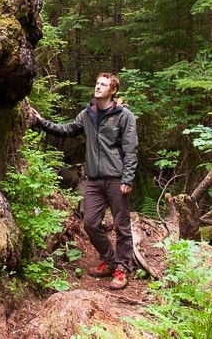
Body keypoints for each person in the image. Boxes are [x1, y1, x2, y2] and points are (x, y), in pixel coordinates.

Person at [27, 72, 139, 290]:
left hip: (117, 179)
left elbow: (131, 150)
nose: (98, 87)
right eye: (97, 83)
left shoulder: (124, 116)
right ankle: (109, 258)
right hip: (94, 180)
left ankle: (122, 269)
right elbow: (68, 129)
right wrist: (41, 123)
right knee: (90, 223)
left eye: (103, 85)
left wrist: (128, 178)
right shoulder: (88, 114)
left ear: (113, 90)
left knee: (122, 226)